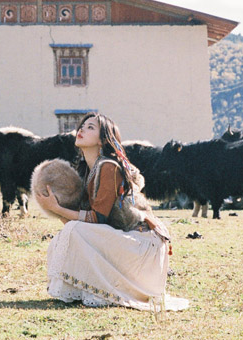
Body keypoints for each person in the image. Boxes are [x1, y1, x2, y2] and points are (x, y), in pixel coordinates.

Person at [35, 113, 189, 312]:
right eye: (82, 126)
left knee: (74, 230)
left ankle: (106, 290)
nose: (81, 129)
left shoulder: (108, 166)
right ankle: (88, 290)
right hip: (127, 241)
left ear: (102, 140)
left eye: (90, 127)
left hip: (142, 244)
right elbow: (89, 227)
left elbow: (97, 219)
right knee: (69, 232)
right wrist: (57, 210)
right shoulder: (89, 171)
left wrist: (56, 208)